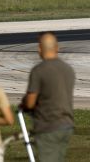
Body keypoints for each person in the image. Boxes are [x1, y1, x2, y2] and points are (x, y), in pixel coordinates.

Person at [22, 32, 75, 162]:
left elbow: (30, 103)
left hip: (48, 125)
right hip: (66, 125)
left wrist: (24, 102)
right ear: (57, 47)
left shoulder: (39, 70)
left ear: (39, 49)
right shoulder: (68, 69)